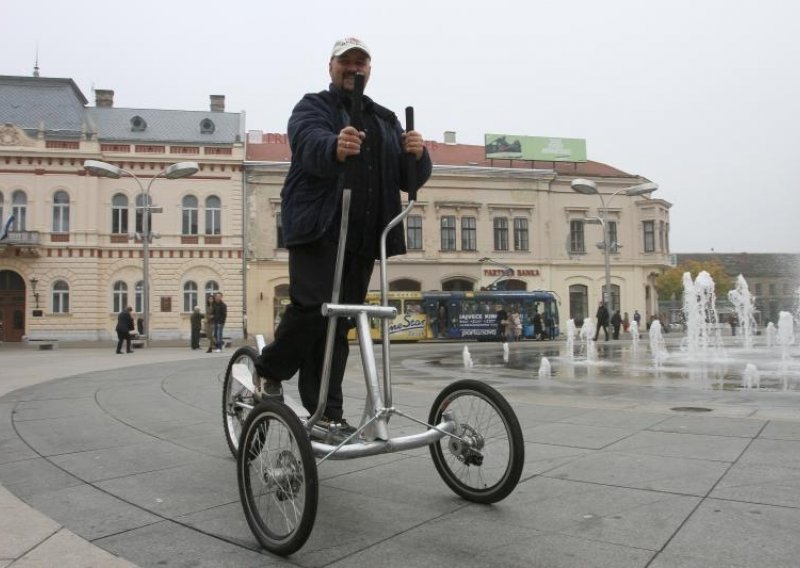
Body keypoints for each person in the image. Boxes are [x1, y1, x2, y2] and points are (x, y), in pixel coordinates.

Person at [254, 37, 432, 436]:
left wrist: (418, 156)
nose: (354, 69)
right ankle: (269, 369)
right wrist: (334, 146)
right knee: (313, 309)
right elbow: (306, 142)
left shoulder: (386, 120)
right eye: (346, 62)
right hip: (319, 228)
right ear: (331, 67)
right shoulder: (314, 106)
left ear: (370, 70)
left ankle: (326, 412)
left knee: (340, 324)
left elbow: (409, 179)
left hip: (364, 237)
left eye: (361, 63)